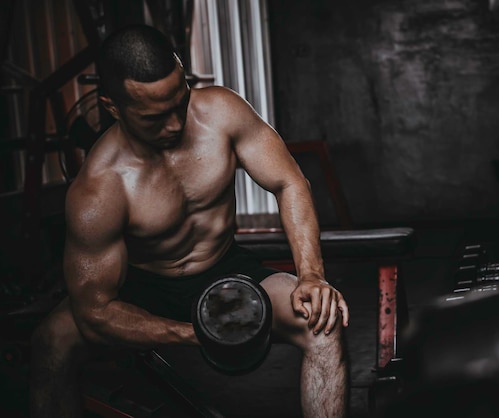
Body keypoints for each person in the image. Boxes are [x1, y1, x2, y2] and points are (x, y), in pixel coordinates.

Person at [30, 24, 349, 418]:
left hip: (226, 267)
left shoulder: (222, 113)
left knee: (324, 322)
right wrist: (192, 333)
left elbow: (289, 183)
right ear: (113, 107)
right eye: (154, 118)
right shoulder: (100, 187)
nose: (175, 126)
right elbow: (95, 311)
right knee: (52, 341)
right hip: (142, 286)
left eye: (179, 104)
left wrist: (311, 274)